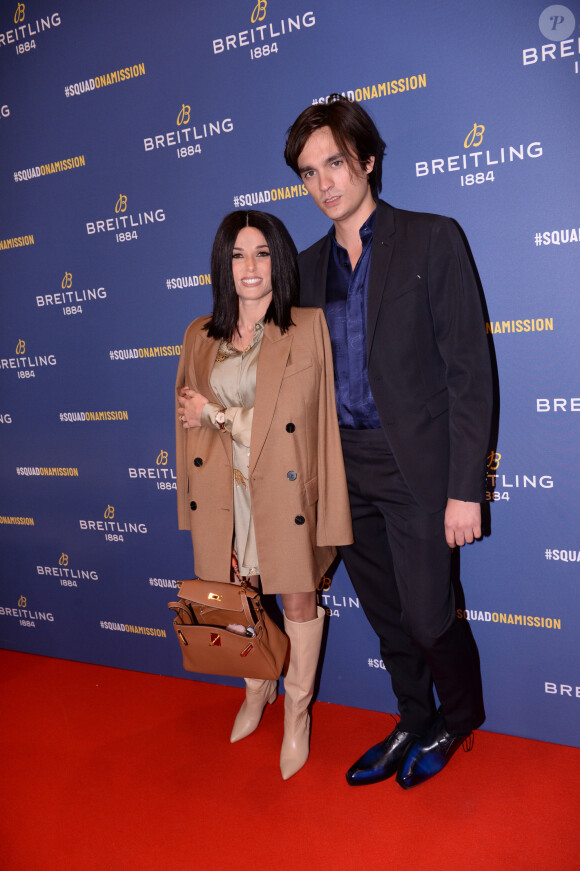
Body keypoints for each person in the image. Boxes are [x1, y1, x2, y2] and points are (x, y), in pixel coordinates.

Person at [284, 95, 493, 789]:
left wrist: (467, 487)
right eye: (310, 173)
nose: (324, 183)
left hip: (419, 471)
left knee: (431, 617)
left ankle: (458, 715)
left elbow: (469, 370)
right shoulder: (307, 270)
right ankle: (411, 713)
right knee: (386, 614)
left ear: (368, 161)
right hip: (343, 470)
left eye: (335, 163)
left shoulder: (433, 238)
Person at [175, 209, 353, 780]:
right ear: (222, 266)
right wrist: (194, 509)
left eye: (261, 253)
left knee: (298, 604)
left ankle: (297, 714)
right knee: (241, 600)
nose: (250, 267)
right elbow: (186, 429)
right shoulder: (199, 336)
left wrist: (218, 414)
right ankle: (258, 688)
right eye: (237, 255)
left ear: (278, 260)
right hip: (226, 496)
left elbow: (303, 420)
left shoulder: (306, 327)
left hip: (285, 494)